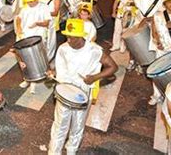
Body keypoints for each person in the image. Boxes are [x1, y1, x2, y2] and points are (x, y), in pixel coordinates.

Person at [48, 18, 118, 155]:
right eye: (67, 36)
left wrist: (94, 77)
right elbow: (61, 69)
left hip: (83, 92)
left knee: (78, 125)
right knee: (60, 124)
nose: (68, 39)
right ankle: (53, 151)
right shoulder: (63, 49)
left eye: (72, 37)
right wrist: (53, 72)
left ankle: (72, 150)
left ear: (81, 36)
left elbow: (113, 67)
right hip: (65, 90)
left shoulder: (94, 50)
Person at [14, 0, 50, 93]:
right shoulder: (25, 8)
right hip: (24, 36)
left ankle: (35, 82)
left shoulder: (44, 7)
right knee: (23, 60)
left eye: (32, 1)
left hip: (37, 36)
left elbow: (47, 23)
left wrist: (37, 24)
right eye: (28, 1)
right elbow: (19, 18)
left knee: (36, 60)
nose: (30, 3)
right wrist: (19, 28)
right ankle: (26, 78)